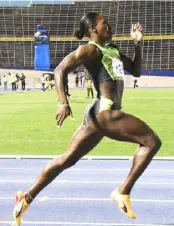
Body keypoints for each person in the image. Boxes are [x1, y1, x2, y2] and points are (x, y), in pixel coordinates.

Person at [13, 12, 162, 224]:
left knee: (67, 159)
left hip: (96, 116)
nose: (109, 27)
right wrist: (63, 102)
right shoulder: (89, 49)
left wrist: (138, 44)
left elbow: (136, 71)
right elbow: (59, 70)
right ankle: (122, 191)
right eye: (104, 24)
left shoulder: (113, 49)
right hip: (105, 113)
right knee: (151, 141)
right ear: (93, 29)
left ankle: (25, 197)